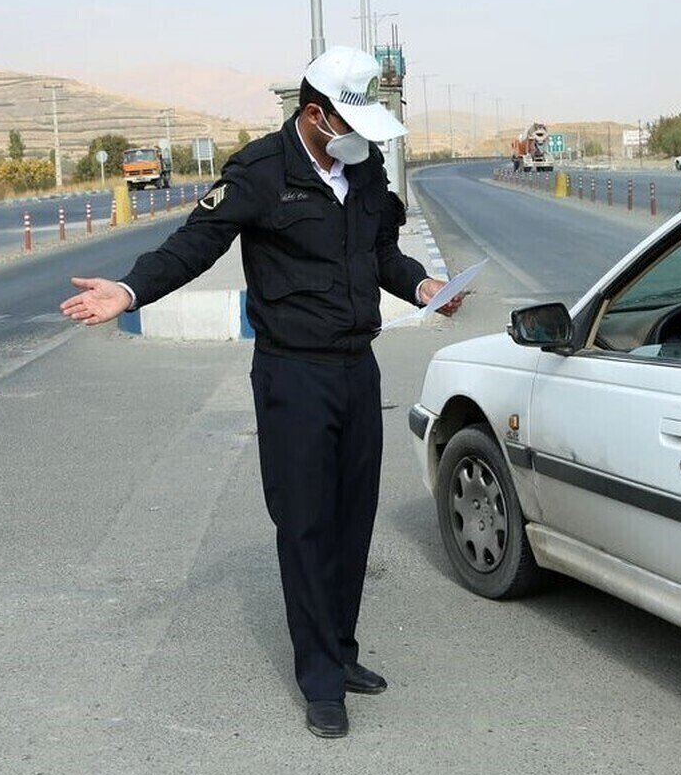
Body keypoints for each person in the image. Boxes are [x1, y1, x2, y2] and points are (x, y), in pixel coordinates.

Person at [59, 46, 462, 739]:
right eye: (349, 121)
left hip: (356, 370)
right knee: (305, 524)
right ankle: (320, 682)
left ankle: (342, 649)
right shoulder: (261, 173)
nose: (359, 137)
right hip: (293, 374)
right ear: (314, 114)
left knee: (351, 519)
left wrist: (423, 285)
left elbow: (383, 254)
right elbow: (194, 244)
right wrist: (128, 290)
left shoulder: (363, 174)